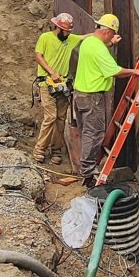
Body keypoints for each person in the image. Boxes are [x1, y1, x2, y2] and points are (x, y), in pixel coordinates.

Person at [67, 14, 139, 183]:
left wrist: (110, 44)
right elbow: (114, 71)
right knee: (93, 133)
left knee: (87, 131)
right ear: (108, 31)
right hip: (92, 97)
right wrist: (134, 72)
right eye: (111, 34)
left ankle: (86, 168)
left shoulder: (89, 42)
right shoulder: (99, 48)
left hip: (80, 95)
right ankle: (87, 172)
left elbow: (99, 52)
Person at [31, 13, 80, 166]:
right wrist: (51, 72)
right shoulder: (45, 38)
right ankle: (39, 149)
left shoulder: (71, 39)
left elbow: (88, 36)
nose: (68, 34)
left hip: (63, 84)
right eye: (66, 31)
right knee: (51, 116)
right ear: (58, 28)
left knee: (60, 118)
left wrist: (108, 38)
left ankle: (56, 150)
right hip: (47, 83)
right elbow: (38, 56)